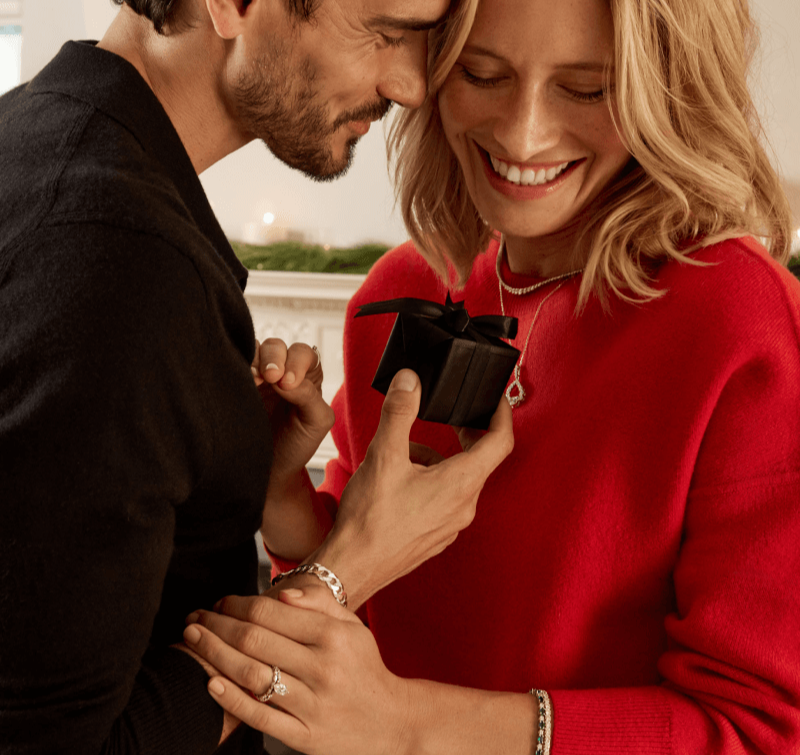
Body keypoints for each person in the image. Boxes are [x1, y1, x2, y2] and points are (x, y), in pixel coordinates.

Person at [182, 0, 800, 753]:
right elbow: (371, 608)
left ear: (665, 92)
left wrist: (409, 725)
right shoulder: (397, 290)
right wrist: (284, 503)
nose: (521, 132)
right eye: (483, 74)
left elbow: (758, 729)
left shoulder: (741, 321)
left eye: (586, 88)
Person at [0, 0, 516, 753]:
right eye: (384, 29)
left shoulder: (31, 137)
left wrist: (236, 461)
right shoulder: (121, 253)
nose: (410, 83)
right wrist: (348, 566)